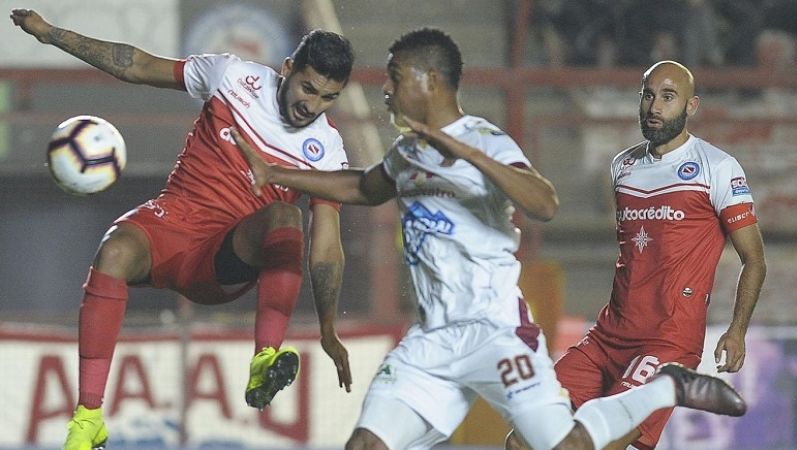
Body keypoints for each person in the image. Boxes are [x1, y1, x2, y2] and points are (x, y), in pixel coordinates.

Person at [231, 29, 747, 450]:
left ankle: (665, 386)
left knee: (565, 448)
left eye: (394, 79)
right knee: (367, 445)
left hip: (496, 332)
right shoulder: (410, 152)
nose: (385, 91)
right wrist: (274, 171)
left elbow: (543, 204)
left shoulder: (484, 139)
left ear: (427, 81)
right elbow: (363, 186)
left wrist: (469, 157)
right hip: (432, 339)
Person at [10, 8, 355, 450]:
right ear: (287, 68)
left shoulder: (326, 149)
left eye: (329, 97)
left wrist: (328, 325)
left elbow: (327, 244)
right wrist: (51, 34)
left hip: (225, 257)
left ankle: (265, 358)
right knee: (113, 250)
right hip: (172, 223)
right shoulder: (232, 76)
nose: (312, 105)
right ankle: (88, 418)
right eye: (308, 87)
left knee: (285, 216)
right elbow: (137, 65)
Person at [507, 60, 767, 450]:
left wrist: (737, 330)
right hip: (607, 337)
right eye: (648, 95)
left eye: (667, 97)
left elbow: (754, 259)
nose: (654, 107)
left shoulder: (718, 168)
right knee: (523, 439)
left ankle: (671, 385)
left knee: (587, 443)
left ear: (690, 106)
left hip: (666, 341)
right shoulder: (623, 166)